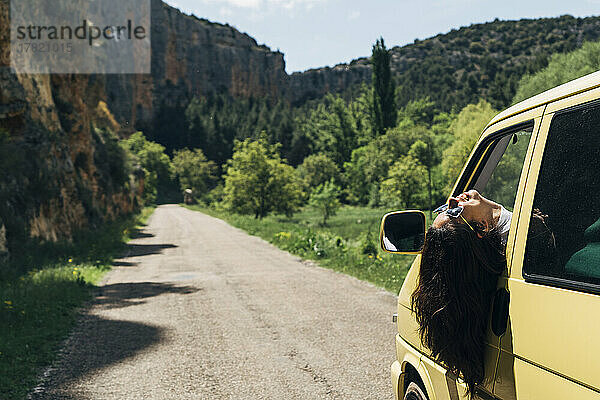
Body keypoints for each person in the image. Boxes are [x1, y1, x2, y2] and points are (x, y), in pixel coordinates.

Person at [411, 189, 508, 398]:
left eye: (446, 209)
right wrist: (495, 211)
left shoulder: (483, 287)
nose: (452, 200)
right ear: (480, 231)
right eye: (453, 211)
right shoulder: (526, 237)